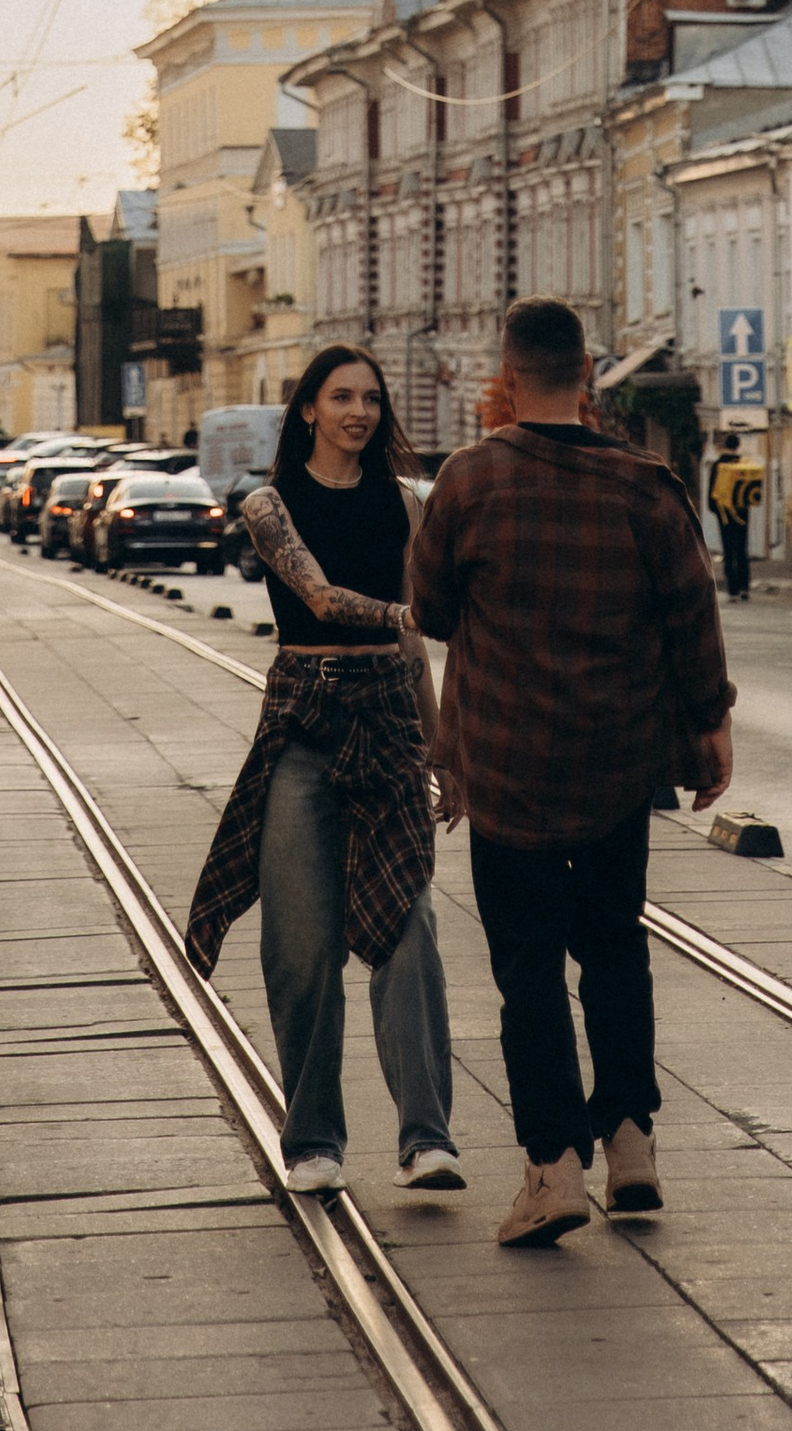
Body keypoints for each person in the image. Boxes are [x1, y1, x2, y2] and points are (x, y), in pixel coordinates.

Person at [408, 296, 734, 1252]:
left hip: (506, 772)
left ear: (506, 378)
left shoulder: (466, 481)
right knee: (615, 950)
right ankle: (632, 1143)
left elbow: (425, 610)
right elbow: (692, 627)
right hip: (615, 768)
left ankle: (551, 1168)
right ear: (590, 375)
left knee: (528, 975)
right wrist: (709, 730)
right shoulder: (648, 487)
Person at [185, 345, 460, 1199]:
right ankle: (313, 1140)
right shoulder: (269, 504)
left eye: (371, 399)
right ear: (307, 408)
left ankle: (427, 1139)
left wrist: (443, 748)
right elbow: (318, 597)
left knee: (410, 930)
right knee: (300, 947)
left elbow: (410, 646)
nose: (359, 412)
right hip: (303, 730)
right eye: (342, 397)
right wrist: (410, 611)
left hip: (386, 727)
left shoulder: (404, 504)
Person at [706, 433, 762, 601]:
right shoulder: (743, 465)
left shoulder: (718, 465)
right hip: (742, 514)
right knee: (742, 550)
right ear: (738, 446)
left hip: (724, 515)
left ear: (725, 446)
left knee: (728, 552)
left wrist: (716, 510)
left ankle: (732, 591)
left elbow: (712, 492)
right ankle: (745, 587)